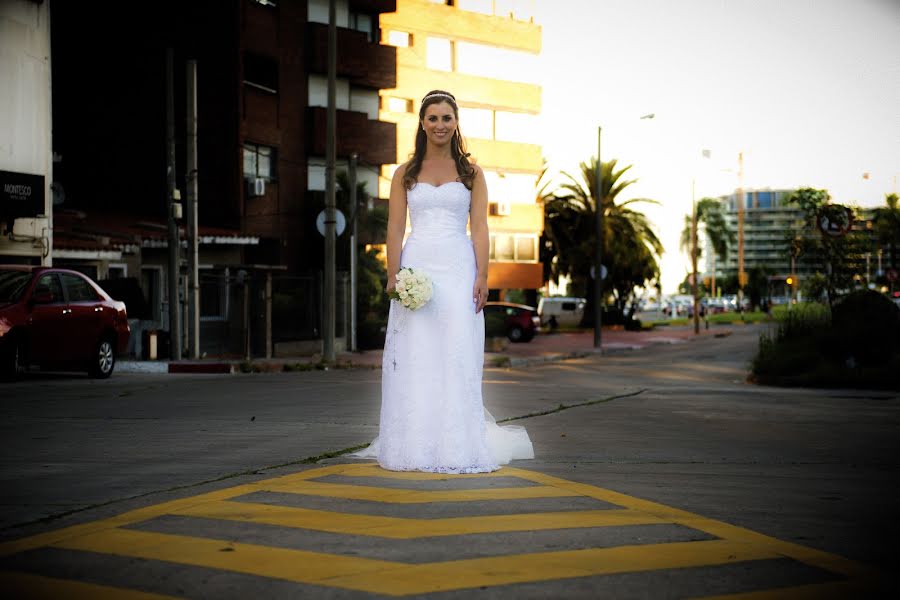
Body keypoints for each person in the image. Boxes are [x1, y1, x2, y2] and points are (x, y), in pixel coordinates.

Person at [352, 90, 534, 473]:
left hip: (457, 267)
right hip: (417, 266)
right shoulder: (405, 173)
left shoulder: (472, 173)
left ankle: (456, 443)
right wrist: (393, 274)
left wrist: (483, 275)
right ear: (422, 123)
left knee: (456, 353)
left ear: (456, 122)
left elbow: (480, 228)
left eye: (446, 118)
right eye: (432, 118)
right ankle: (412, 444)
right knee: (416, 353)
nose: (439, 125)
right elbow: (396, 226)